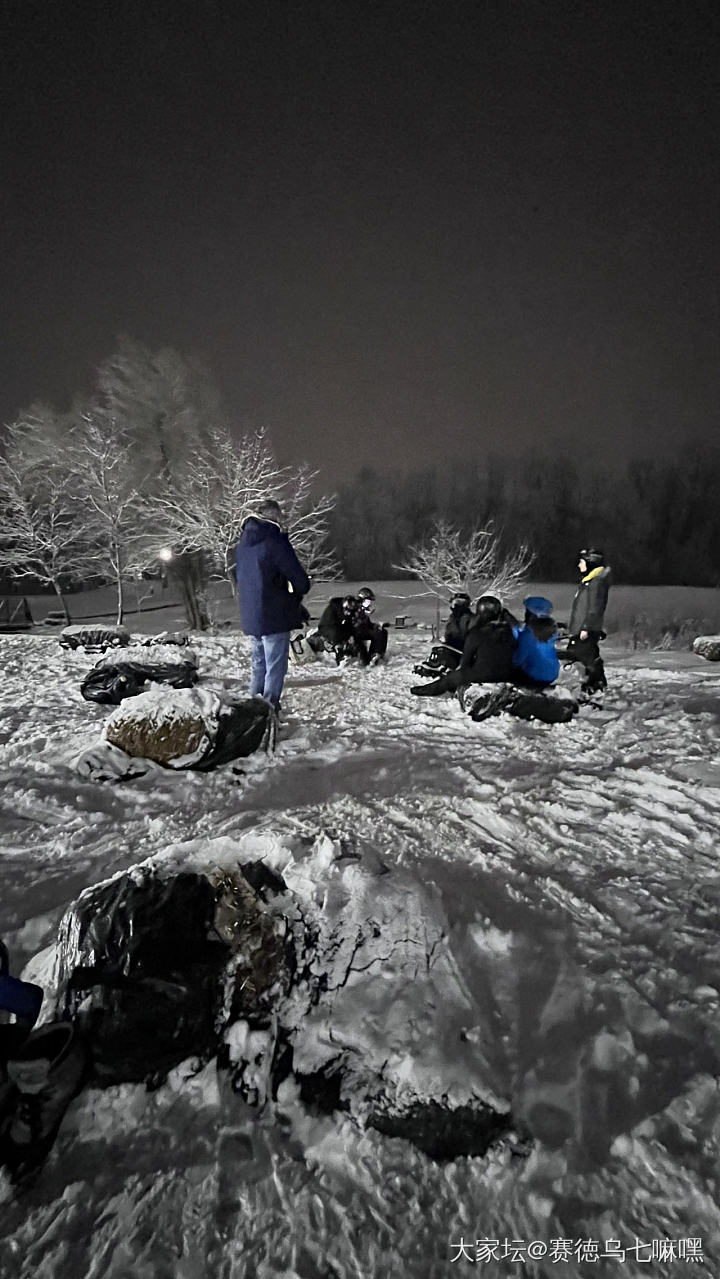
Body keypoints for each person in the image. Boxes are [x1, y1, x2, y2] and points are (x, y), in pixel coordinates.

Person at [234, 499, 310, 708]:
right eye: (280, 515)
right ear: (272, 516)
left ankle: (251, 707)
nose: (283, 519)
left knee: (259, 665)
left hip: (252, 614)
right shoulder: (274, 541)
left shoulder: (242, 545)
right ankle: (268, 708)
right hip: (274, 614)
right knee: (275, 665)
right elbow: (300, 581)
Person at [411, 594, 516, 696]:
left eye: (461, 603)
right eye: (456, 603)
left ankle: (425, 690)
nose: (457, 606)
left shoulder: (475, 628)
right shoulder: (509, 630)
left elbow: (466, 659)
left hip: (476, 663)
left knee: (452, 678)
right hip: (506, 671)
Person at [558, 548, 612, 696]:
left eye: (582, 562)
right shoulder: (589, 582)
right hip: (582, 628)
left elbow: (595, 608)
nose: (579, 565)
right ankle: (594, 687)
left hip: (585, 630)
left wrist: (586, 627)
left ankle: (593, 689)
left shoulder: (596, 583)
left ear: (591, 564)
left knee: (582, 659)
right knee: (584, 658)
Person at [511, 596, 560, 688]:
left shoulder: (528, 635)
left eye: (527, 612)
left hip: (535, 676)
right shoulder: (550, 631)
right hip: (552, 673)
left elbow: (518, 660)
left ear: (533, 615)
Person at [350, 588, 389, 666]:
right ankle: (373, 655)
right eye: (368, 600)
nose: (370, 603)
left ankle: (377, 654)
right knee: (379, 633)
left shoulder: (363, 609)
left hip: (360, 632)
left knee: (382, 632)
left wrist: (376, 625)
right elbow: (355, 624)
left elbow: (367, 624)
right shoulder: (355, 609)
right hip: (355, 634)